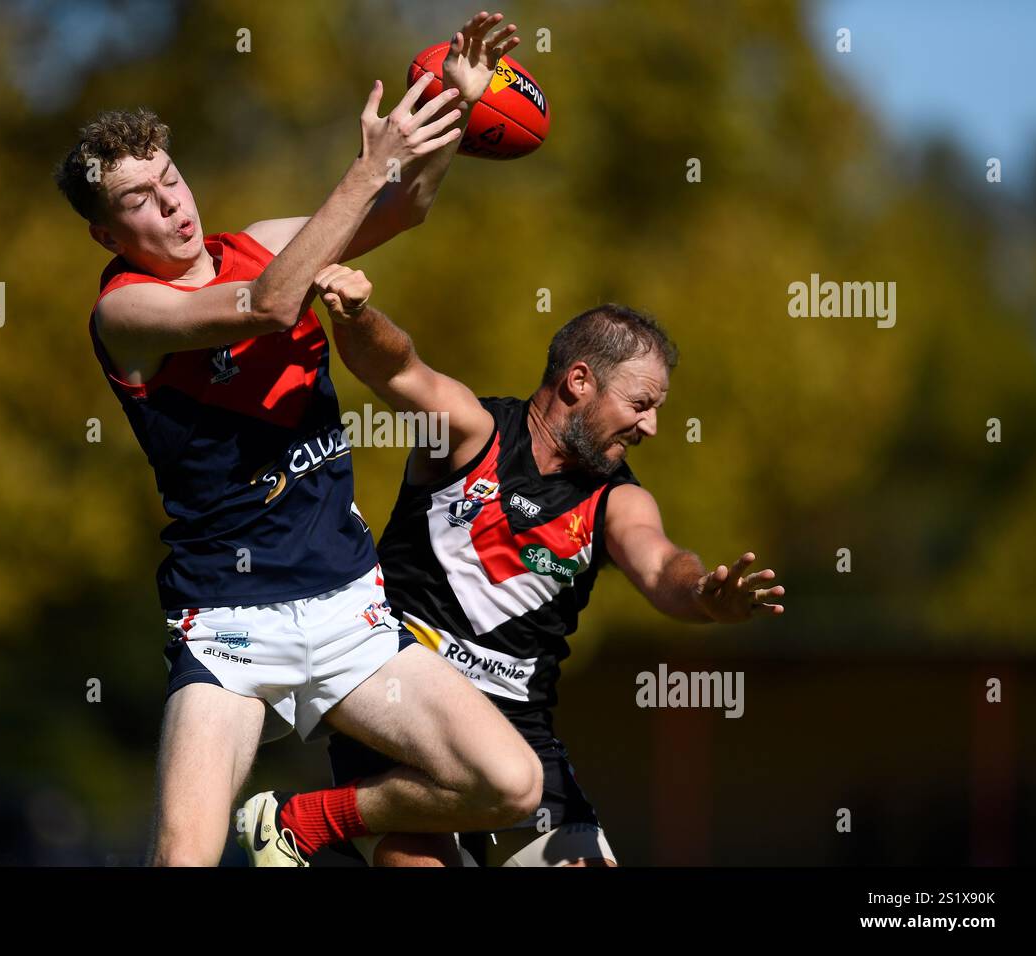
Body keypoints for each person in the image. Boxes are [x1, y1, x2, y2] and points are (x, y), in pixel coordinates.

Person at [54, 13, 545, 867]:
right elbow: (270, 305)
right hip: (229, 625)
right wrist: (363, 172)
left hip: (348, 609)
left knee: (512, 784)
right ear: (105, 233)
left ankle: (299, 823)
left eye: (170, 179)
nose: (171, 203)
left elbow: (406, 208)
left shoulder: (262, 242)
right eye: (139, 199)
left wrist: (451, 117)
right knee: (182, 858)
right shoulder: (126, 312)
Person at [300, 264, 786, 866]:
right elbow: (398, 368)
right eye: (640, 403)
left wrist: (708, 596)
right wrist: (355, 314)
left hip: (518, 727)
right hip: (408, 701)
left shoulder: (618, 501)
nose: (652, 427)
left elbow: (664, 570)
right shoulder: (470, 433)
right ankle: (305, 823)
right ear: (580, 381)